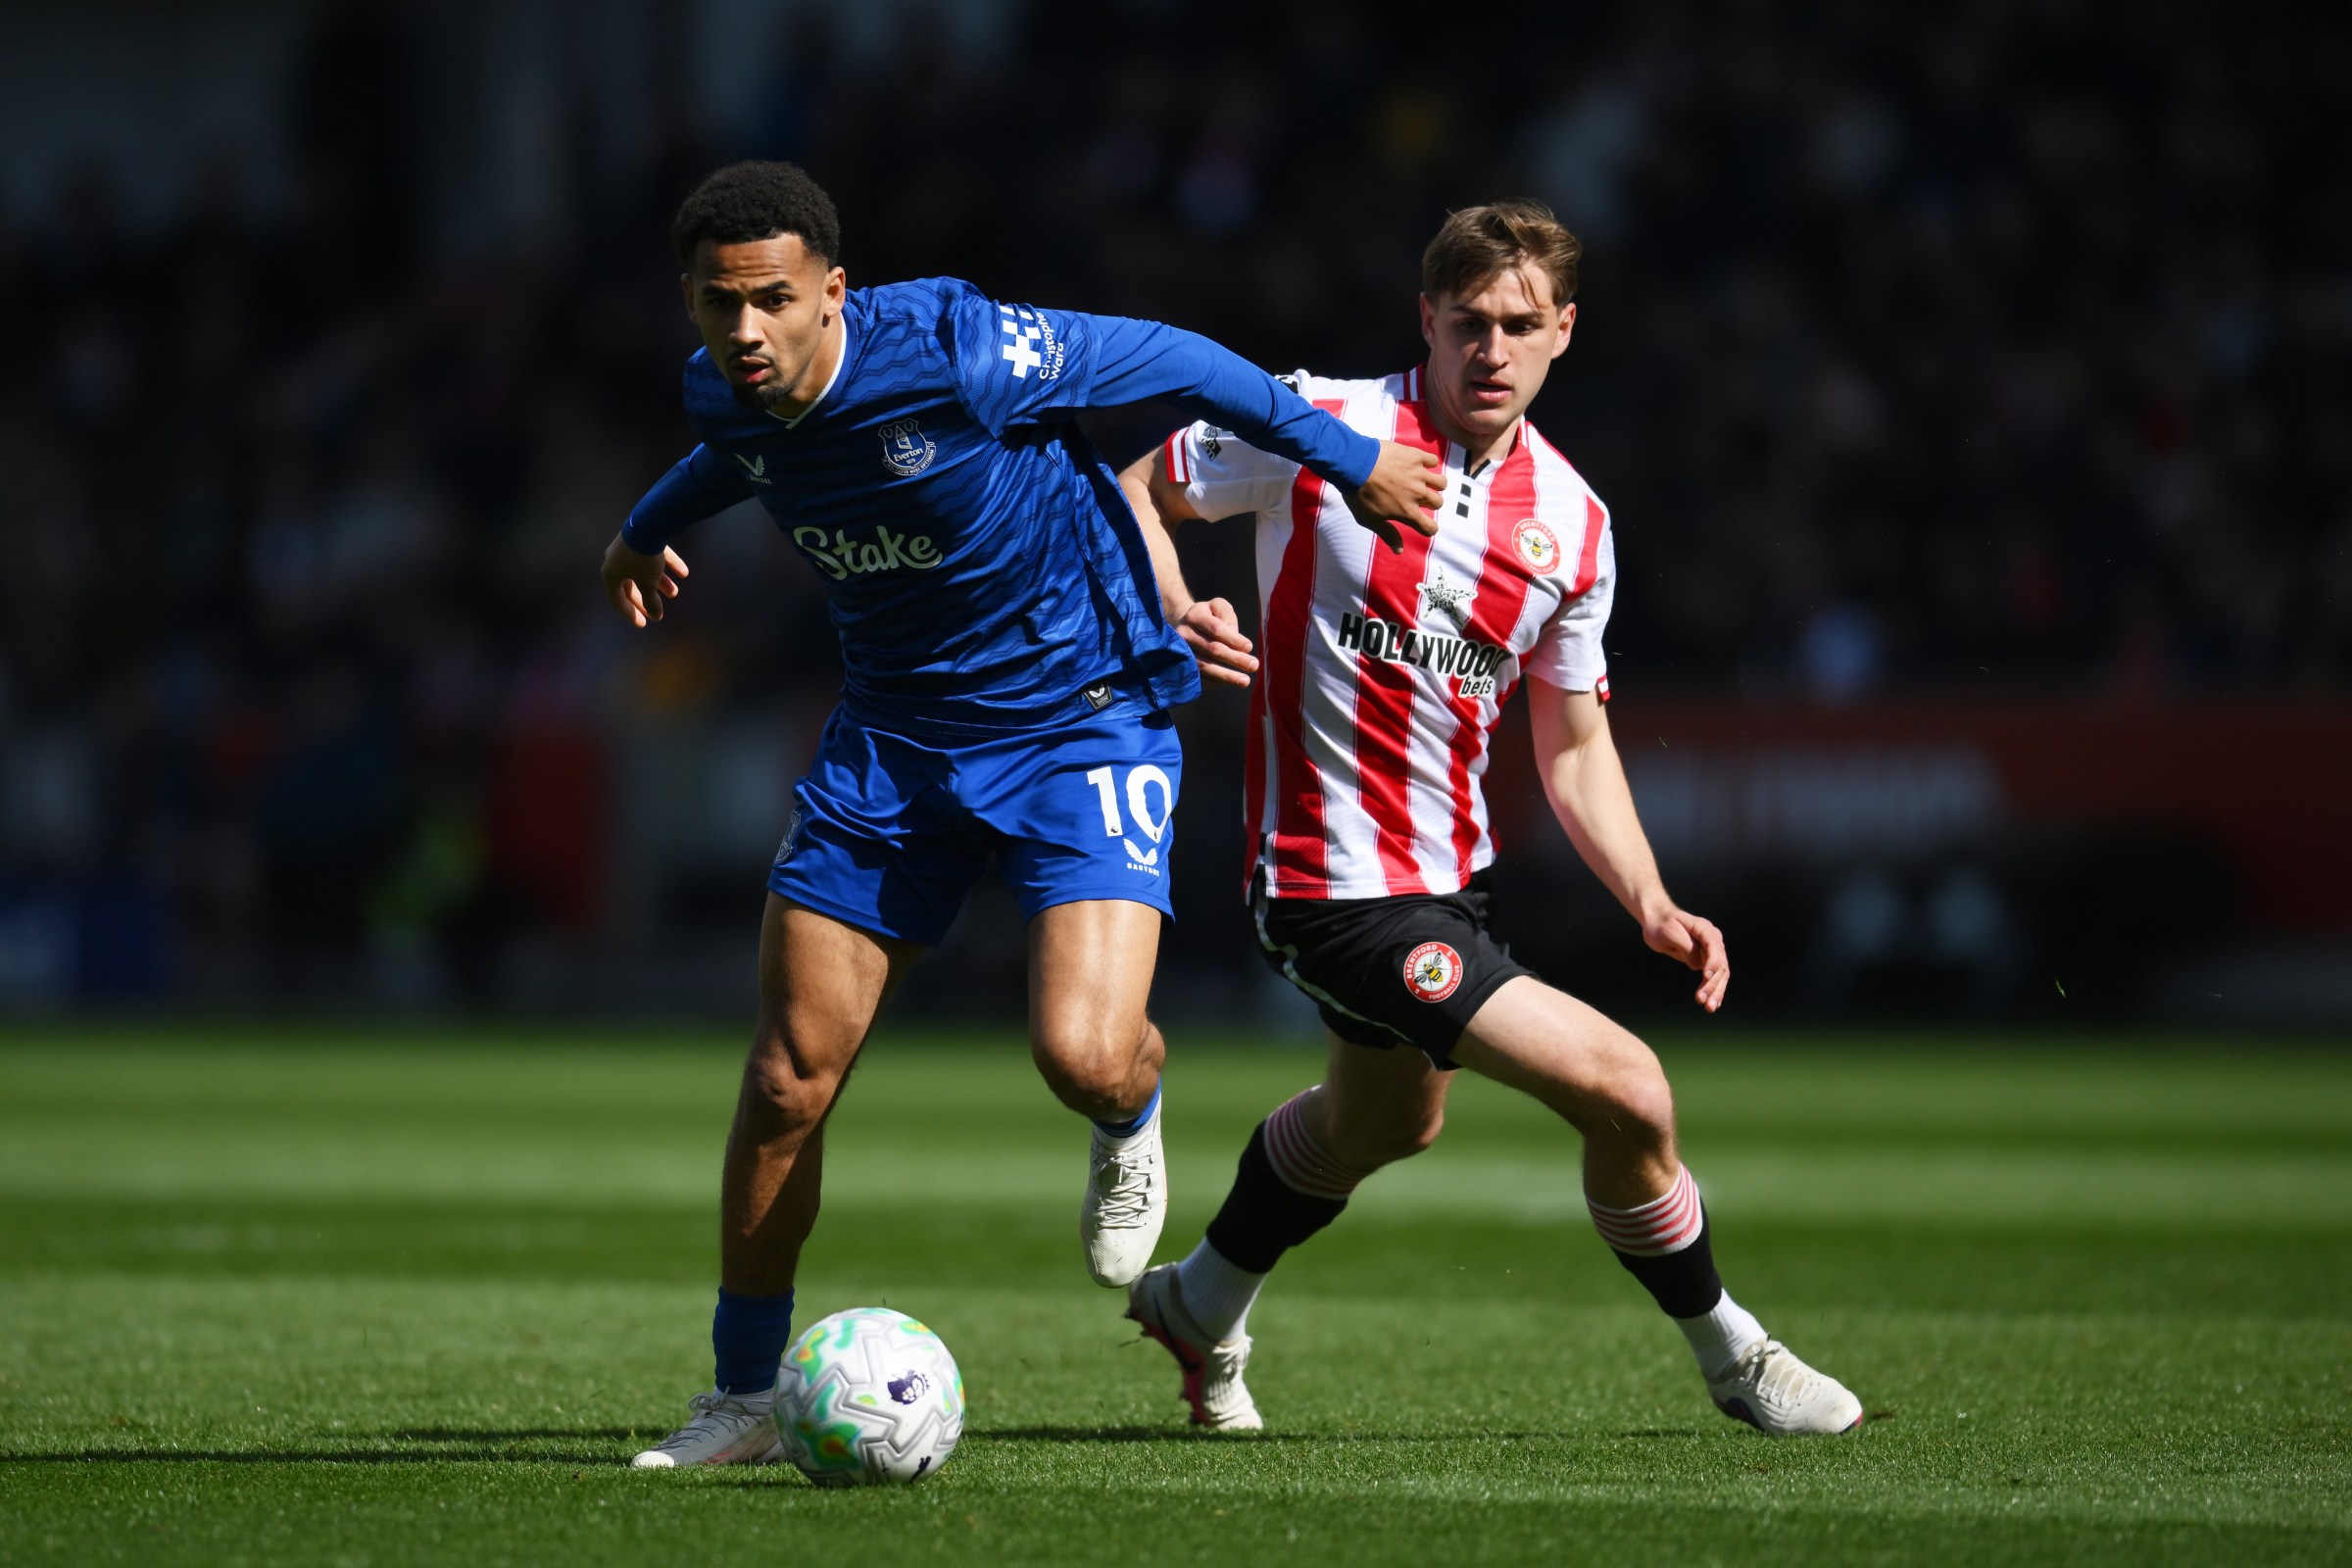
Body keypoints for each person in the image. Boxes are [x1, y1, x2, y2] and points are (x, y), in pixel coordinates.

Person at [602, 161, 1446, 1468]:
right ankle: (744, 1399)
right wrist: (642, 527)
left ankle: (1131, 1110)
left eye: (774, 300)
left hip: (1079, 714)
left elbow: (1170, 356)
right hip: (890, 741)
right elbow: (735, 449)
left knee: (1082, 1054)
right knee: (784, 1079)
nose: (747, 331)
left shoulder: (957, 346)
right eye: (721, 305)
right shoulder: (723, 385)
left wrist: (1349, 460)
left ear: (835, 290)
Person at [1114, 201, 1863, 1438]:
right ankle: (1739, 1357)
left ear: (1565, 331)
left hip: (1453, 882)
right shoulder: (1323, 424)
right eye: (1469, 323)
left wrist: (1651, 897)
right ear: (1428, 317)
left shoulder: (1575, 525)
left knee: (1382, 1123)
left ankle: (1200, 1301)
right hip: (1324, 884)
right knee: (1629, 1089)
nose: (1493, 351)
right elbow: (1137, 488)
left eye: (1522, 325)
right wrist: (1175, 599)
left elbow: (1572, 743)